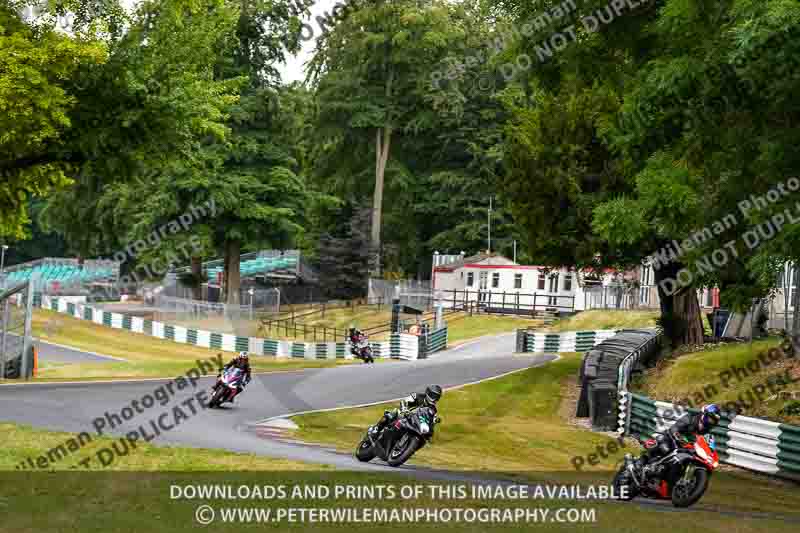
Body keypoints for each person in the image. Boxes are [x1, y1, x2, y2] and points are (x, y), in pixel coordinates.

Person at [638, 404, 722, 473]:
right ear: (704, 414)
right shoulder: (689, 419)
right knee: (663, 446)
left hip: (686, 450)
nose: (711, 422)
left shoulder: (706, 434)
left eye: (713, 421)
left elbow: (710, 447)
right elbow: (674, 428)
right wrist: (678, 436)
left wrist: (711, 457)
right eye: (710, 418)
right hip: (672, 440)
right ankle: (639, 463)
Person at [369, 385, 443, 436]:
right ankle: (376, 429)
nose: (434, 398)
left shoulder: (433, 409)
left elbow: (432, 420)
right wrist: (404, 409)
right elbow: (404, 401)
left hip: (414, 422)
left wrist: (434, 421)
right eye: (433, 395)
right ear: (428, 393)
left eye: (436, 397)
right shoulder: (418, 396)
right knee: (392, 414)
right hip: (405, 414)